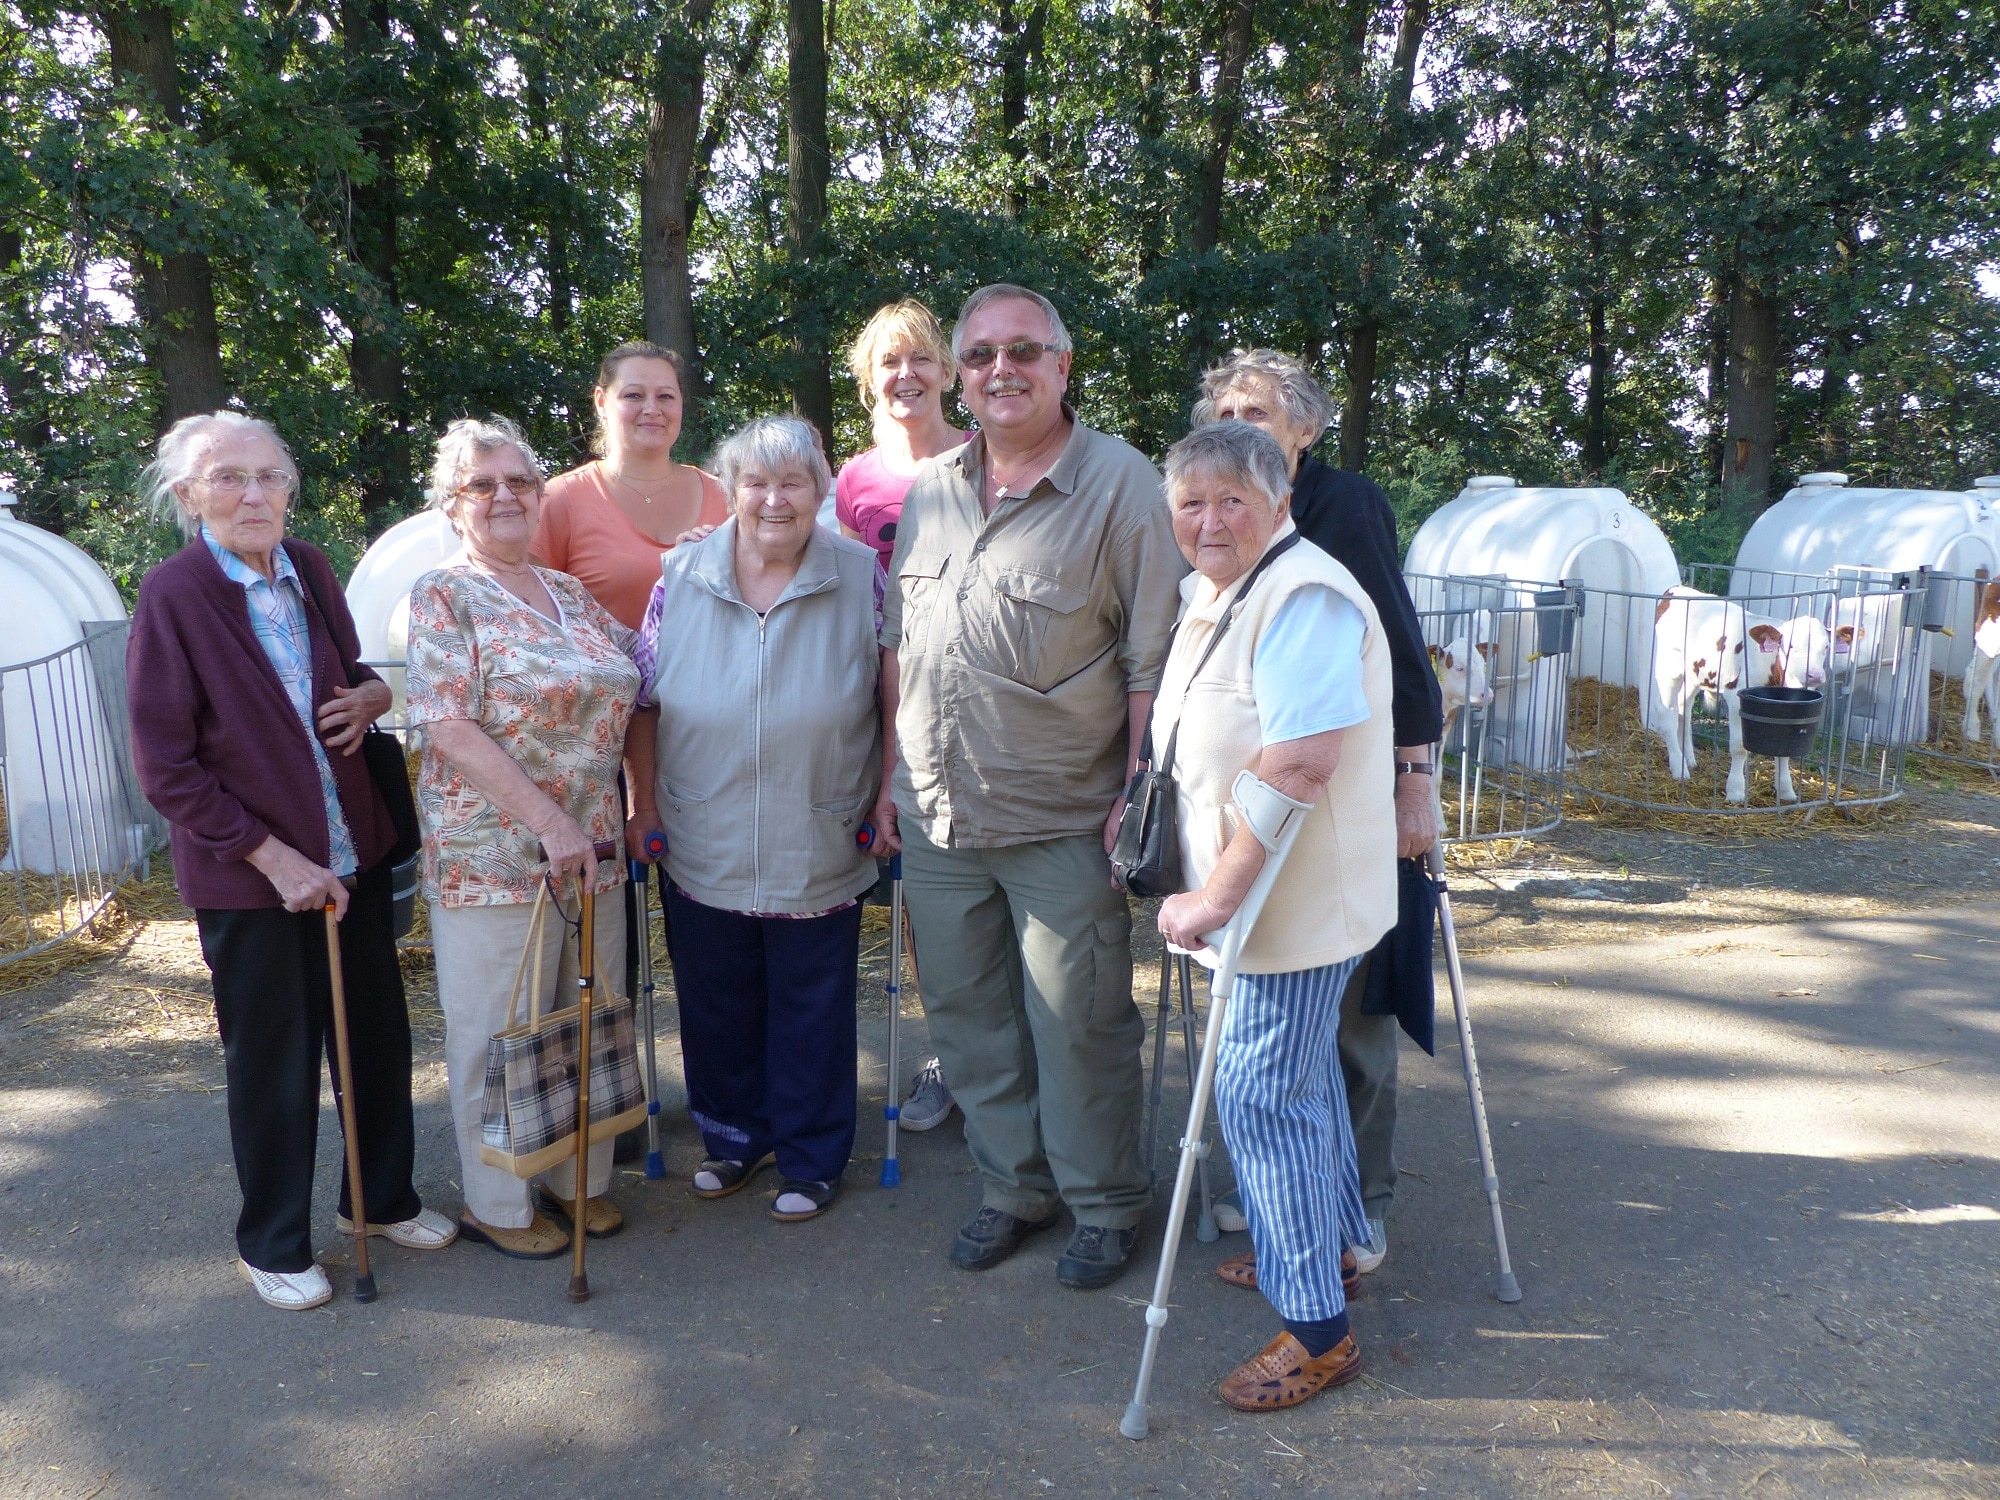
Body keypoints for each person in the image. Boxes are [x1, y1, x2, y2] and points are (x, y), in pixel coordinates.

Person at [874, 283, 1185, 1289]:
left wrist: (1132, 794)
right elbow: (899, 648)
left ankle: (1102, 1201)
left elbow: (1150, 660)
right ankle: (1013, 1186)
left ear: (1060, 365)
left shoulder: (1122, 486)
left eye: (1022, 351)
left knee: (1078, 1023)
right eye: (978, 356)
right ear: (958, 375)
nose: (998, 370)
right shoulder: (930, 489)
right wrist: (889, 774)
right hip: (937, 813)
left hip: (1065, 816)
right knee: (966, 1017)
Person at [127, 411, 454, 1312]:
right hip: (254, 877)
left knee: (378, 1041)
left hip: (348, 856)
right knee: (274, 1064)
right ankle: (271, 1241)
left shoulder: (308, 569)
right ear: (190, 495)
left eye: (268, 475)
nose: (253, 493)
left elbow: (351, 675)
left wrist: (376, 693)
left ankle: (379, 1202)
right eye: (227, 477)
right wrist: (274, 860)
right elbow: (166, 768)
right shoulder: (175, 593)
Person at [1150, 419, 1397, 1410]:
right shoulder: (1219, 592)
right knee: (1298, 1081)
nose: (1208, 520)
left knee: (1260, 1092)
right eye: (1190, 502)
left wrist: (1213, 896)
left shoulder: (1301, 595)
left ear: (1278, 501)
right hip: (1265, 900)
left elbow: (1298, 760)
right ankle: (1333, 1244)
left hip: (1282, 908)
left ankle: (1317, 1331)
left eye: (1231, 499)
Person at [1193, 349, 1444, 1273]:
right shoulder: (1220, 521)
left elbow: (1403, 652)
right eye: (1224, 409)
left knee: (1348, 1009)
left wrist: (1414, 775)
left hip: (1342, 801)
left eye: (1256, 412)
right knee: (1263, 1020)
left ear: (1304, 427)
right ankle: (1277, 1197)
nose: (1238, 422)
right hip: (1253, 813)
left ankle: (1357, 1211)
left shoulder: (1346, 508)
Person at [624, 416, 884, 1223]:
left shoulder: (862, 572)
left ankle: (810, 1155)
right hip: (704, 825)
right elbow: (643, 698)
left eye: (794, 482)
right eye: (757, 483)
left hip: (822, 819)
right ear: (732, 490)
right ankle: (734, 1138)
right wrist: (645, 800)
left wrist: (890, 793)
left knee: (813, 1000)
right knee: (716, 996)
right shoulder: (682, 574)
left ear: (820, 491)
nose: (775, 500)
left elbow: (895, 692)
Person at [404, 417, 644, 1259]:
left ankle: (578, 1181)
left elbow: (642, 666)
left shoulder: (568, 593)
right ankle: (499, 1203)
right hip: (495, 860)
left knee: (585, 1020)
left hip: (593, 856)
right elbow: (445, 725)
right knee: (496, 1033)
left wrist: (698, 566)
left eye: (521, 481)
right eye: (483, 483)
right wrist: (547, 821)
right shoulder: (444, 594)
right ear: (453, 501)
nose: (506, 496)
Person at [834, 298, 967, 1133]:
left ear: (949, 373)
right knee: (918, 898)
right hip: (874, 701)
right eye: (889, 361)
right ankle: (952, 1055)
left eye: (921, 359)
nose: (906, 375)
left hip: (971, 701)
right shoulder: (851, 479)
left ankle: (1007, 1058)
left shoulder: (985, 456)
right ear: (867, 380)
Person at [532, 340, 729, 630]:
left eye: (665, 396)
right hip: (605, 675)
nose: (652, 409)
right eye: (634, 395)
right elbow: (529, 615)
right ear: (601, 401)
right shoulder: (560, 499)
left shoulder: (726, 497)